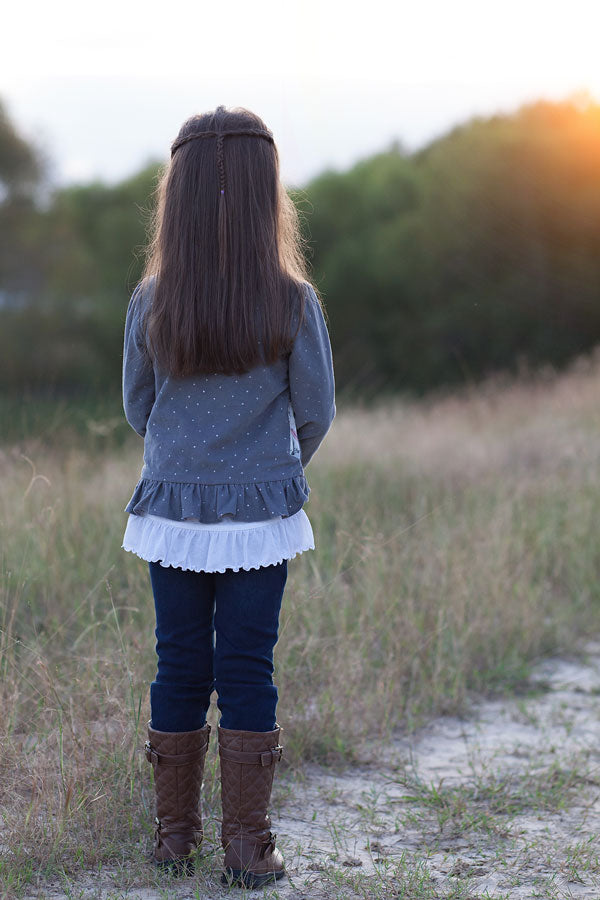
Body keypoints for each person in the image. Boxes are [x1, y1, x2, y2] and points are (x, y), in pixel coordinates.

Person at [121, 104, 335, 888]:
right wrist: (268, 468)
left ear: (175, 196)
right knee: (248, 667)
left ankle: (172, 840)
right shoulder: (290, 300)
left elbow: (136, 404)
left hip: (172, 515)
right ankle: (247, 849)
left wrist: (185, 458)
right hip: (258, 520)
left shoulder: (153, 299)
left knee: (177, 664)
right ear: (265, 191)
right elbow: (316, 410)